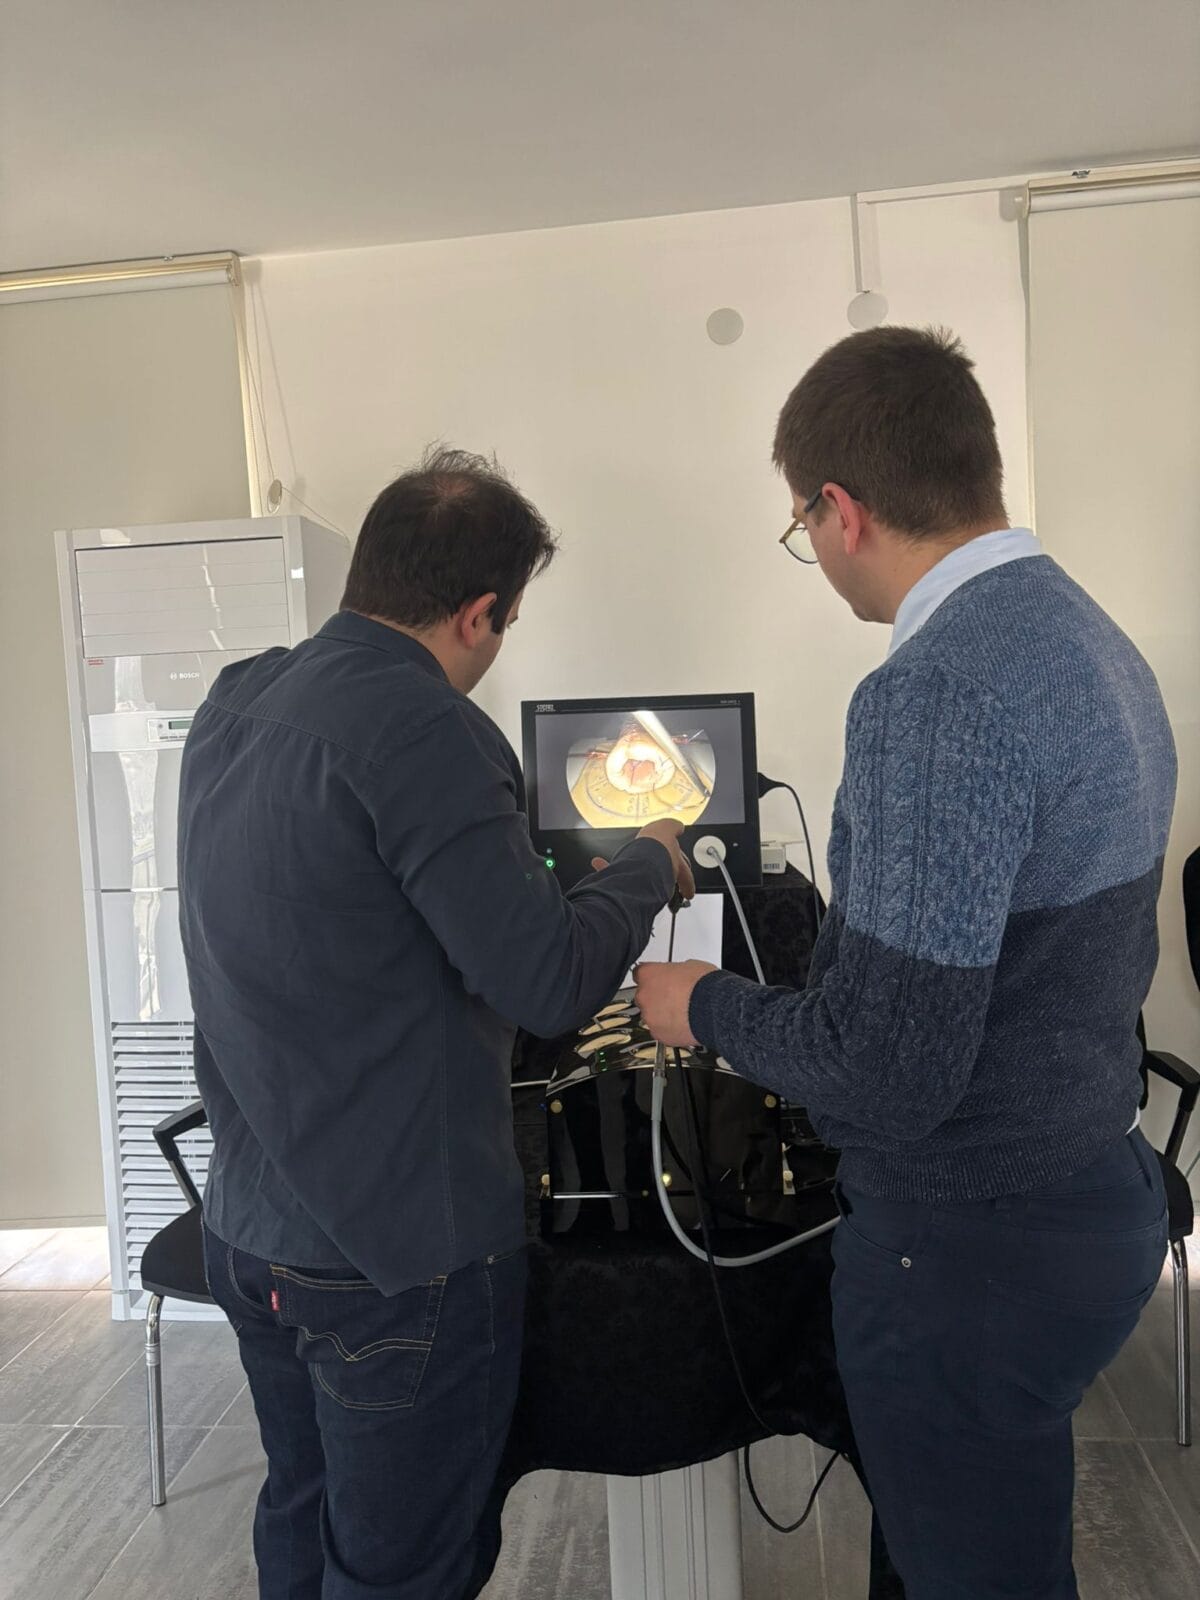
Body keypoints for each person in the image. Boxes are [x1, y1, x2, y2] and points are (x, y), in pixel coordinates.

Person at [635, 327, 1175, 1599]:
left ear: (841, 510)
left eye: (801, 526)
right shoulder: (1091, 637)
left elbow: (889, 1069)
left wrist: (703, 1003)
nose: (815, 550)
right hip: (1086, 1186)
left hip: (972, 1241)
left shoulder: (938, 692)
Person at [179, 447, 693, 1600]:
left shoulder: (234, 700)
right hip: (395, 1261)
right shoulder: (429, 730)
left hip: (252, 1229)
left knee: (303, 1518)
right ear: (479, 614)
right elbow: (549, 982)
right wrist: (646, 863)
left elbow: (338, 926)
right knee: (405, 1567)